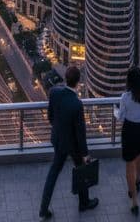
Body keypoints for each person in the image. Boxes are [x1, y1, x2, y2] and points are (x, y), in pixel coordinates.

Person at [39, 65, 97, 219]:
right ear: (78, 82)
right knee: (81, 170)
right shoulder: (77, 104)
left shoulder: (54, 93)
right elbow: (80, 132)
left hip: (58, 140)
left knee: (53, 174)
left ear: (65, 78)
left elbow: (50, 116)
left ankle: (43, 209)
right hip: (73, 145)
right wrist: (84, 154)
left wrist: (59, 131)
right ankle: (84, 203)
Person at [115, 66, 140, 217]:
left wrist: (115, 111)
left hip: (130, 130)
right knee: (139, 155)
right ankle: (138, 180)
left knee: (128, 164)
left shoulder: (125, 97)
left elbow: (121, 117)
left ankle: (135, 201)